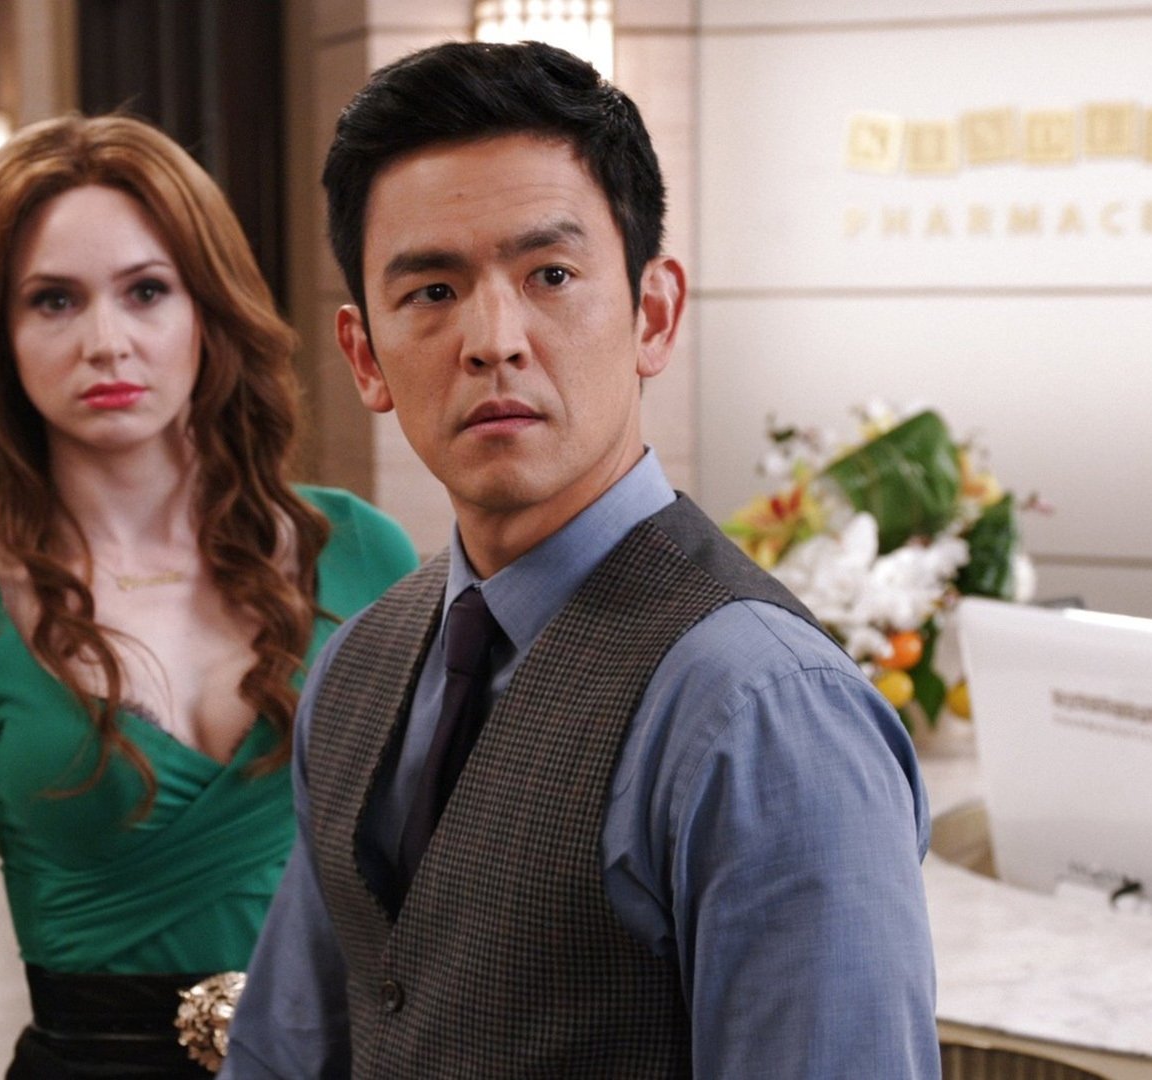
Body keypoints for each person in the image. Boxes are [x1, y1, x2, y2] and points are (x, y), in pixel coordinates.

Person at [222, 41, 938, 1078]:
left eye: (550, 276)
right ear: (365, 356)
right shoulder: (358, 666)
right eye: (432, 290)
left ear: (655, 314)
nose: (493, 339)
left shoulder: (762, 713)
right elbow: (283, 1054)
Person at [0, 113, 418, 1080]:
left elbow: (452, 894)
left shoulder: (361, 555)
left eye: (146, 291)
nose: (106, 342)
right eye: (53, 300)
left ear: (205, 309)